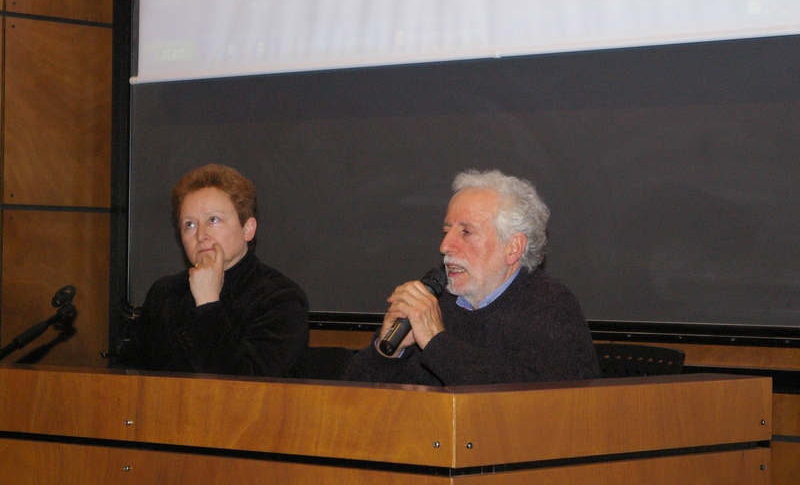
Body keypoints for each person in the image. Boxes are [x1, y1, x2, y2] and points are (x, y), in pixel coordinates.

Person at [344, 169, 599, 386]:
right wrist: (387, 352)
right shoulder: (438, 303)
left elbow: (532, 402)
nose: (445, 246)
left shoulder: (550, 306)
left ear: (512, 247)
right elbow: (349, 399)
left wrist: (436, 342)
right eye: (446, 231)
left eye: (466, 232)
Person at [118, 164, 309, 377]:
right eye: (189, 224)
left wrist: (208, 304)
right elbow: (128, 375)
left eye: (213, 220)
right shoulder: (164, 294)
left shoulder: (281, 299)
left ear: (248, 229)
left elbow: (245, 387)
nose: (201, 235)